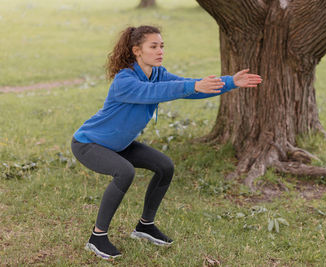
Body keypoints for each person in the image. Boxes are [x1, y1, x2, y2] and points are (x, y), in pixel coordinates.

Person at [71, 25, 262, 260]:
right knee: (124, 172)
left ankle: (145, 226)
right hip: (89, 143)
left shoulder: (158, 73)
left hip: (120, 144)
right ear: (137, 51)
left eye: (162, 46)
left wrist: (231, 81)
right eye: (154, 46)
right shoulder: (125, 80)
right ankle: (97, 237)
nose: (160, 51)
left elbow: (190, 89)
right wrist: (191, 85)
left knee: (164, 166)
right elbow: (156, 93)